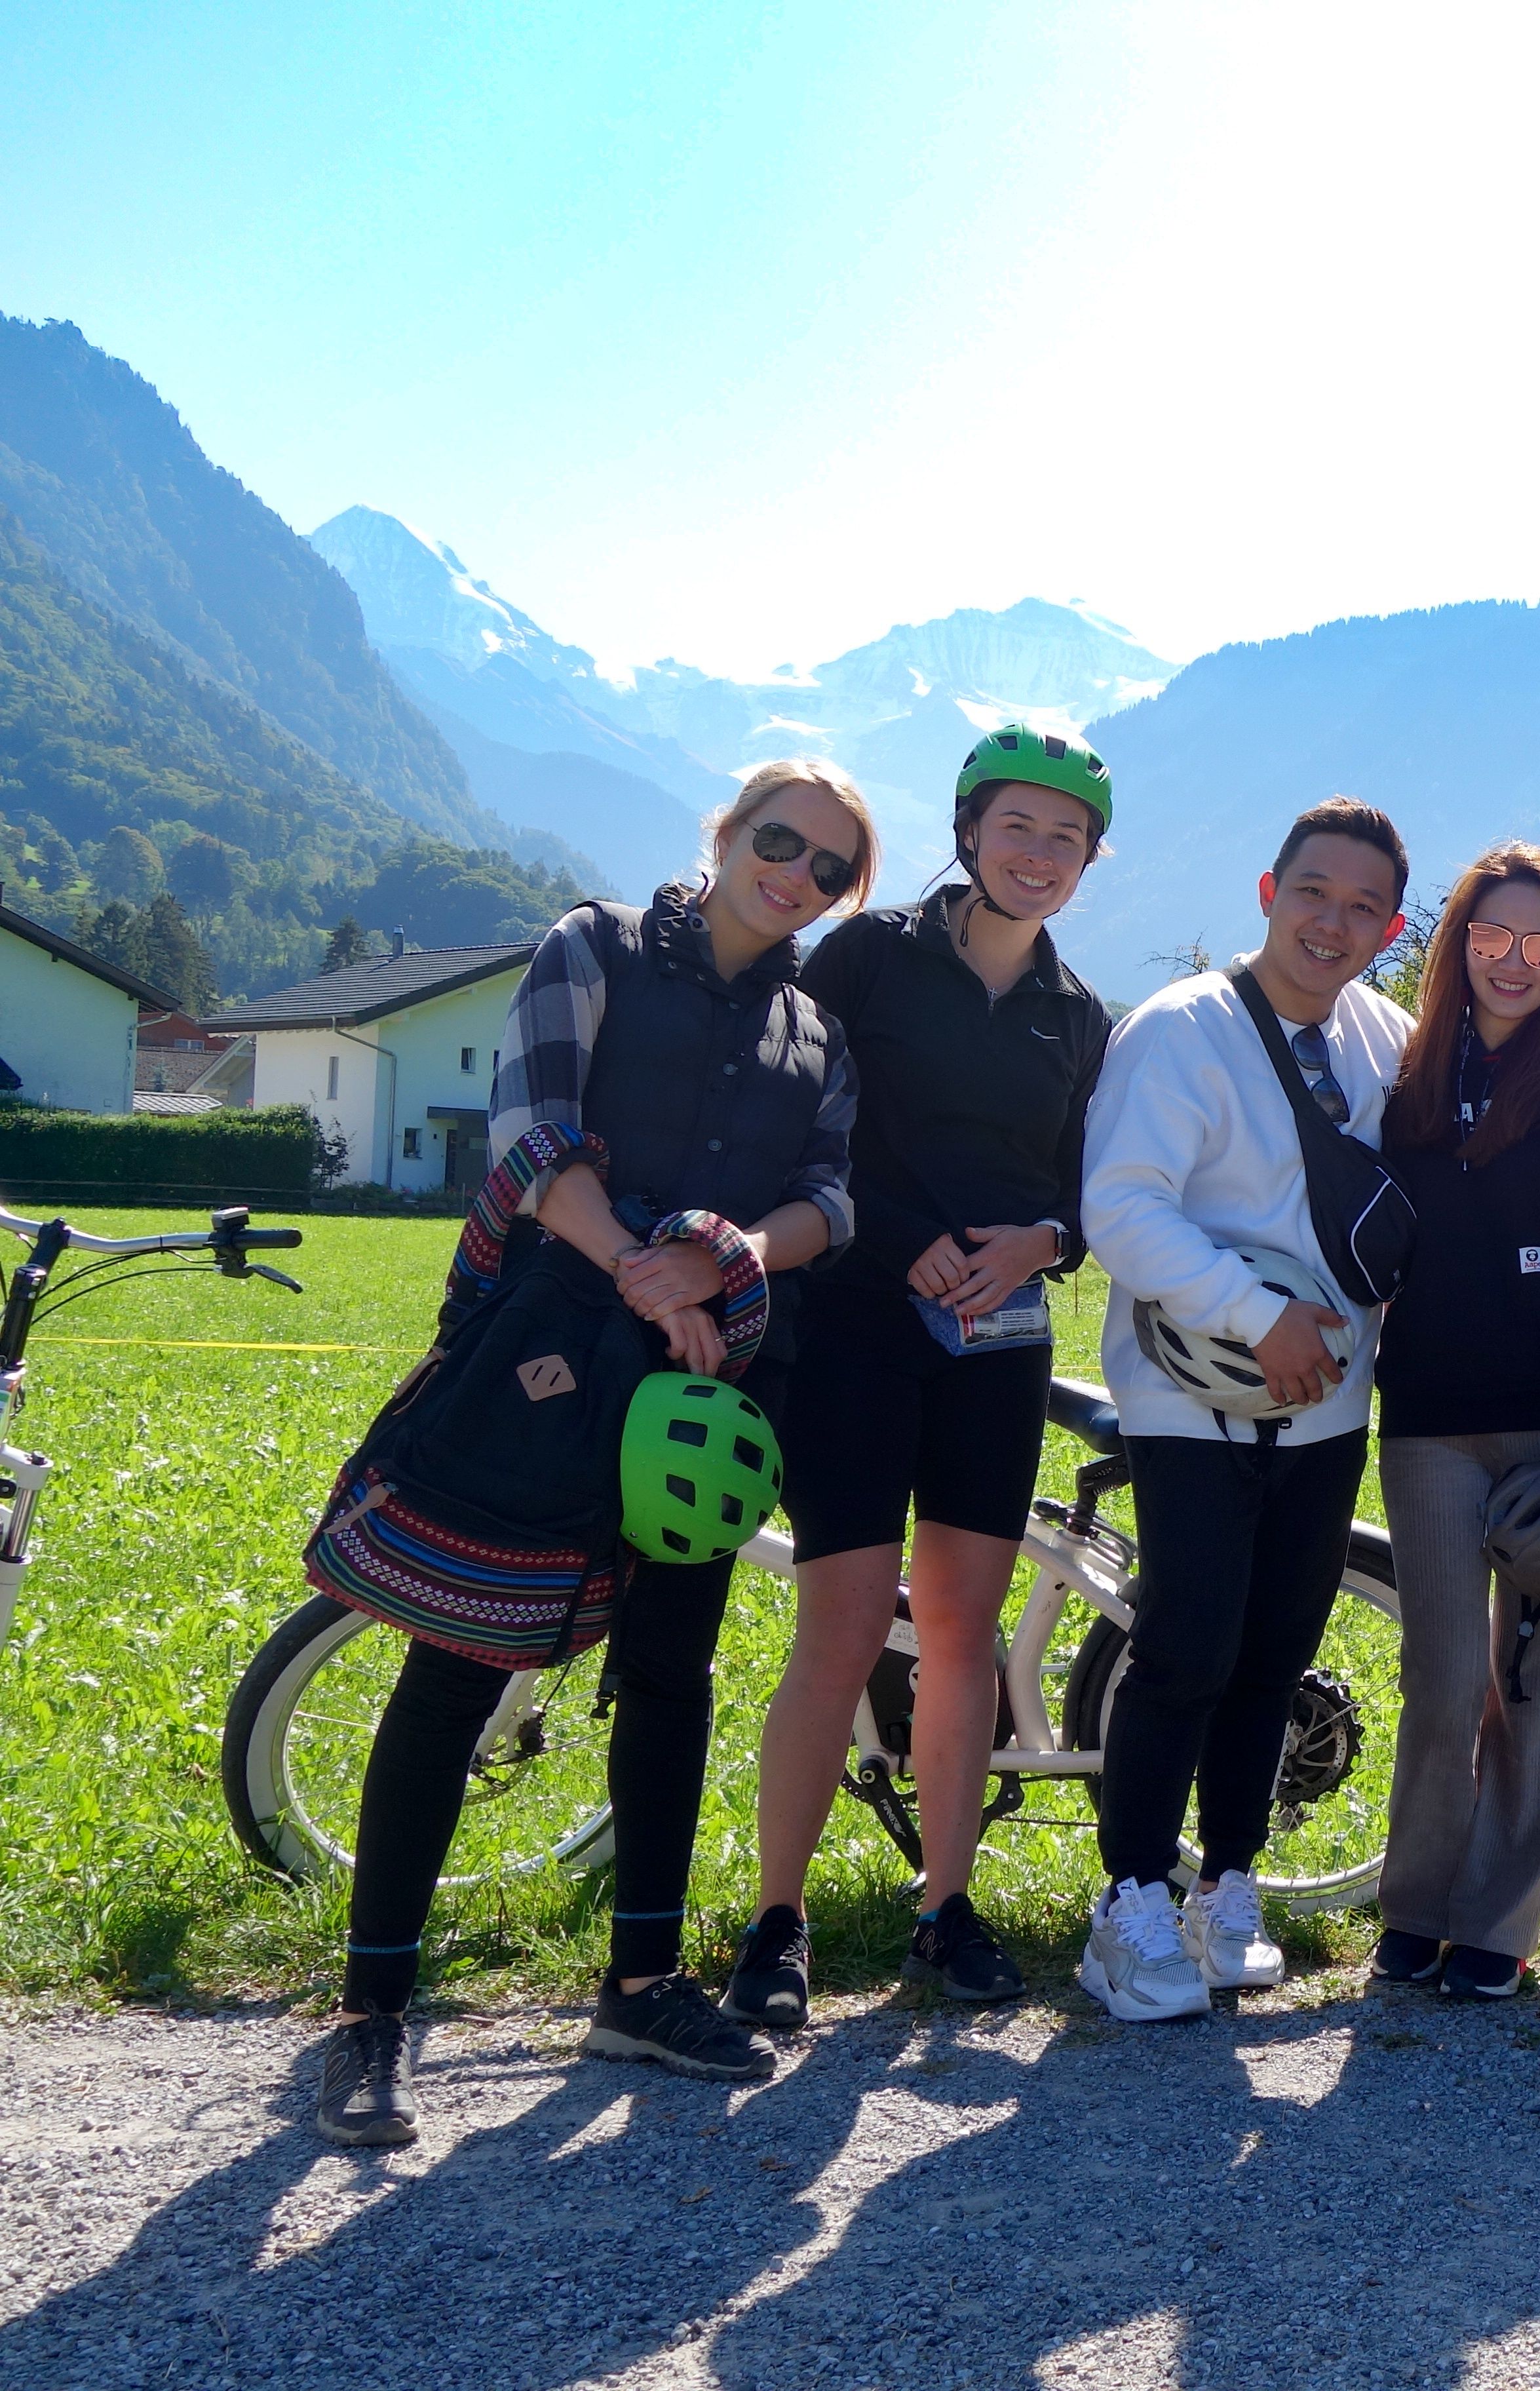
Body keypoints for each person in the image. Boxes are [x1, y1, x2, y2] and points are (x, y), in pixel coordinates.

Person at [314, 760, 875, 2147]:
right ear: (728, 833)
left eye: (828, 869)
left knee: (673, 1674)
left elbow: (832, 1199)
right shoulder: (595, 945)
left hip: (702, 1390)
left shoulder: (820, 1029)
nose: (794, 876)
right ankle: (371, 2015)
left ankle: (639, 1982)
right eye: (778, 840)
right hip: (548, 1358)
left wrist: (733, 1254)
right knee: (455, 1666)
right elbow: (530, 1133)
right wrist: (644, 1266)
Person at [725, 726, 1113, 2027]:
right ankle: (776, 1925)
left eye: (1067, 837)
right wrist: (909, 1245)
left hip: (996, 1352)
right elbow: (801, 1126)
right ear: (968, 832)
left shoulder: (1077, 1015)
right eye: (1019, 826)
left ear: (1090, 860)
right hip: (853, 1330)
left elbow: (1086, 1193)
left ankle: (944, 1908)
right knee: (838, 1631)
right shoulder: (869, 957)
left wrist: (1042, 1242)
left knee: (962, 1639)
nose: (1040, 854)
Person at [1072, 798, 1414, 2023]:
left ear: (1390, 923)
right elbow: (1120, 1203)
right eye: (1313, 892)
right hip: (1191, 1402)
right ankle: (1125, 1908)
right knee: (1183, 1651)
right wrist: (1248, 1311)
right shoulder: (1182, 1030)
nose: (1334, 921)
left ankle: (1226, 1889)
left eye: (1363, 904)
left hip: (1327, 1410)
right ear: (1267, 892)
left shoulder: (1386, 1039)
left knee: (1271, 1657)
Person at [1368, 843, 1540, 2002]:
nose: (1516, 961)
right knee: (1440, 1678)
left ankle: (1499, 1921)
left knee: (1530, 1682)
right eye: (1492, 937)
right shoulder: (1414, 1076)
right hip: (1429, 1418)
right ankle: (1419, 1902)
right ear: (1458, 946)